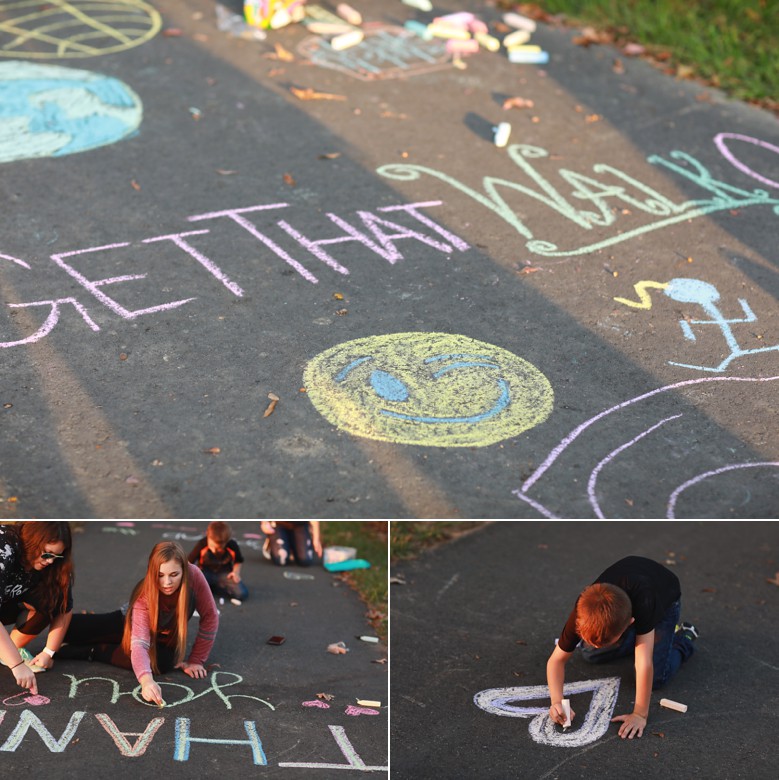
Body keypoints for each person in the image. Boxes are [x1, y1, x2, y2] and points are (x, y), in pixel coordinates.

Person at [546, 556, 698, 740]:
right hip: (627, 598)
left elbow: (644, 664)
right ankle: (633, 641)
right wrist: (557, 701)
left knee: (657, 677)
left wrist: (640, 714)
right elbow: (556, 660)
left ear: (630, 624)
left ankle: (684, 637)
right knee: (590, 653)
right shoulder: (583, 609)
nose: (596, 645)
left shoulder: (645, 606)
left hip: (664, 598)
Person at [61, 541, 219, 705]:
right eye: (160, 575)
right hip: (127, 622)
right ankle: (106, 639)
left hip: (162, 639)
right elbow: (140, 644)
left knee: (162, 663)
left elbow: (210, 616)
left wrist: (196, 660)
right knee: (68, 629)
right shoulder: (144, 595)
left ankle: (93, 650)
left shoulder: (194, 576)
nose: (167, 583)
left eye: (174, 575)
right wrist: (146, 681)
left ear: (184, 571)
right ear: (152, 572)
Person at [0, 522, 74, 695]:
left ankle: (8, 650)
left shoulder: (55, 566)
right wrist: (17, 665)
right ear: (32, 541)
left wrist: (49, 652)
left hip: (6, 601)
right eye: (47, 554)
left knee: (52, 599)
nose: (50, 561)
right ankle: (9, 653)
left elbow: (64, 608)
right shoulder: (5, 548)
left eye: (57, 556)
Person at [188, 521, 248, 602]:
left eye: (219, 548)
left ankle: (212, 587)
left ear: (226, 542)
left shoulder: (232, 545)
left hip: (224, 574)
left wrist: (235, 572)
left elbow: (238, 561)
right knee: (189, 592)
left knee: (242, 594)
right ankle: (212, 587)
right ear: (208, 536)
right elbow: (189, 562)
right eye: (213, 546)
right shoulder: (202, 544)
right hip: (205, 573)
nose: (214, 550)